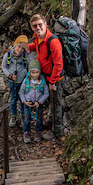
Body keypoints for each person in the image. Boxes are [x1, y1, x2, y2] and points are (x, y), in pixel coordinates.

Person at [29, 13, 63, 141]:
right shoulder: (38, 38)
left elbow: (58, 64)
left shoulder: (53, 42)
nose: (38, 28)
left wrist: (52, 82)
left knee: (56, 105)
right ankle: (50, 123)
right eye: (35, 26)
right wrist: (27, 46)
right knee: (51, 103)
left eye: (40, 25)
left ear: (45, 24)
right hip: (47, 77)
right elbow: (38, 48)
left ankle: (57, 132)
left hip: (56, 79)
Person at [1, 35, 29, 127]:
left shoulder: (25, 55)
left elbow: (29, 65)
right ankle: (13, 116)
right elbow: (4, 67)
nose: (20, 50)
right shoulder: (8, 55)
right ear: (15, 45)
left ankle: (23, 116)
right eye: (19, 46)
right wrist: (10, 75)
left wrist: (25, 75)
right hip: (12, 82)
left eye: (23, 48)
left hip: (22, 82)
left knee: (22, 100)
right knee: (13, 100)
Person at [19, 56, 49, 143]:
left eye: (37, 72)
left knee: (39, 118)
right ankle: (26, 132)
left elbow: (46, 93)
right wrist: (24, 101)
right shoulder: (26, 81)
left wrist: (39, 102)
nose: (35, 75)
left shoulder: (42, 81)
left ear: (39, 72)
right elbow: (21, 91)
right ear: (29, 72)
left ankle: (38, 132)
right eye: (33, 72)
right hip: (27, 102)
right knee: (26, 118)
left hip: (38, 102)